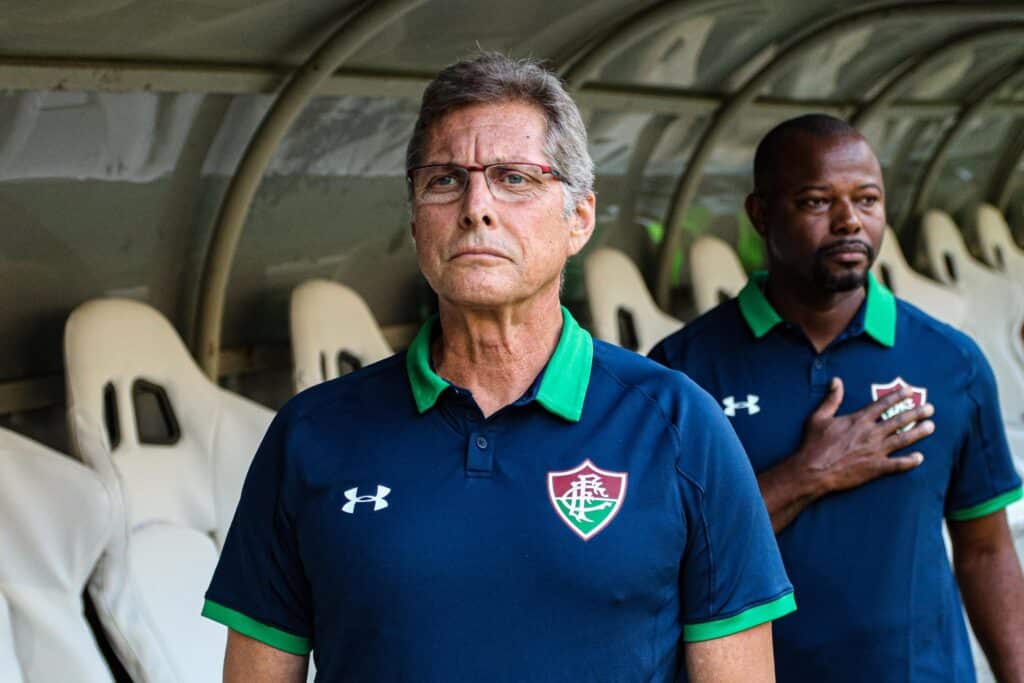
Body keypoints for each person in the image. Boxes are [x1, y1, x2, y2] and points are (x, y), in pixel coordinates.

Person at [201, 54, 794, 682]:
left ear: (579, 219)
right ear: (415, 222)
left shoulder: (677, 426)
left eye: (514, 178)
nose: (476, 207)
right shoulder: (311, 433)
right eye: (444, 180)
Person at [650, 113, 1024, 682]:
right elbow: (662, 555)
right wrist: (807, 475)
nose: (850, 221)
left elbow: (987, 551)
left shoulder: (951, 362)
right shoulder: (683, 372)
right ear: (761, 214)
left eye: (867, 200)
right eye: (817, 202)